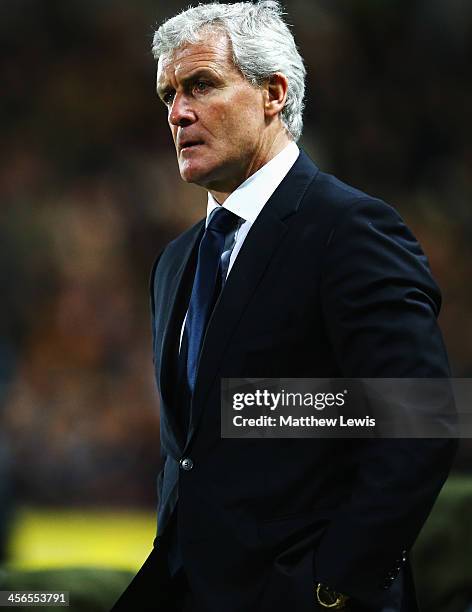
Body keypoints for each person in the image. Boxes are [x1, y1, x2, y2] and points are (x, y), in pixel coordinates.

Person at [111, 2, 457, 610]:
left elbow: (417, 426)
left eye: (200, 85)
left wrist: (334, 588)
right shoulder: (175, 262)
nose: (177, 112)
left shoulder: (349, 229)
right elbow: (189, 455)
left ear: (273, 92)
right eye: (168, 94)